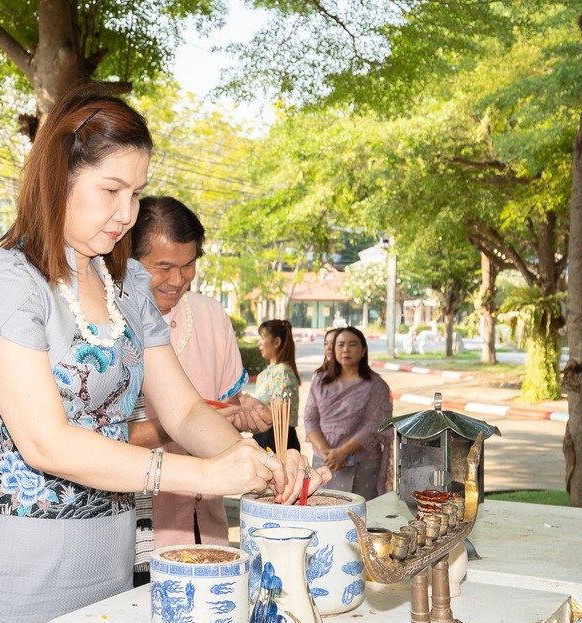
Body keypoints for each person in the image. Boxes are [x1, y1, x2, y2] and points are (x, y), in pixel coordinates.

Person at [0, 90, 299, 623]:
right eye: (111, 191)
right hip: (16, 566)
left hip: (105, 554)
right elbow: (46, 443)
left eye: (136, 193)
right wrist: (208, 477)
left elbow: (183, 410)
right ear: (59, 179)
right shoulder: (7, 278)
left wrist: (259, 461)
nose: (127, 213)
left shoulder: (127, 282)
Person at [131, 195, 271, 548]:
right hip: (136, 529)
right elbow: (99, 441)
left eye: (188, 265)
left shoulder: (210, 316)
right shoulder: (110, 324)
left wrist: (242, 415)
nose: (177, 280)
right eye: (162, 267)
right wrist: (191, 421)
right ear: (129, 259)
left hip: (204, 519)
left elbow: (225, 406)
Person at [301, 325, 394, 497]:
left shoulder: (376, 386)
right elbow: (310, 419)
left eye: (352, 344)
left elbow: (374, 427)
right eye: (340, 344)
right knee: (322, 512)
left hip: (363, 464)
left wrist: (343, 452)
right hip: (324, 462)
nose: (345, 349)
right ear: (333, 349)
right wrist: (326, 453)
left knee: (359, 517)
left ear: (364, 349)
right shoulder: (320, 382)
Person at [250, 319, 300, 455]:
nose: (259, 343)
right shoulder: (271, 372)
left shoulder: (282, 372)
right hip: (267, 436)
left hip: (276, 439)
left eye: (263, 337)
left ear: (277, 342)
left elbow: (277, 412)